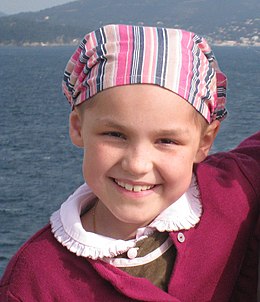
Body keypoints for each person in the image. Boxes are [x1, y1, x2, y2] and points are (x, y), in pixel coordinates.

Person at [0, 24, 259, 302]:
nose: (137, 164)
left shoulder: (233, 190)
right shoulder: (33, 281)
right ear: (77, 127)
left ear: (205, 142)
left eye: (167, 141)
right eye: (115, 135)